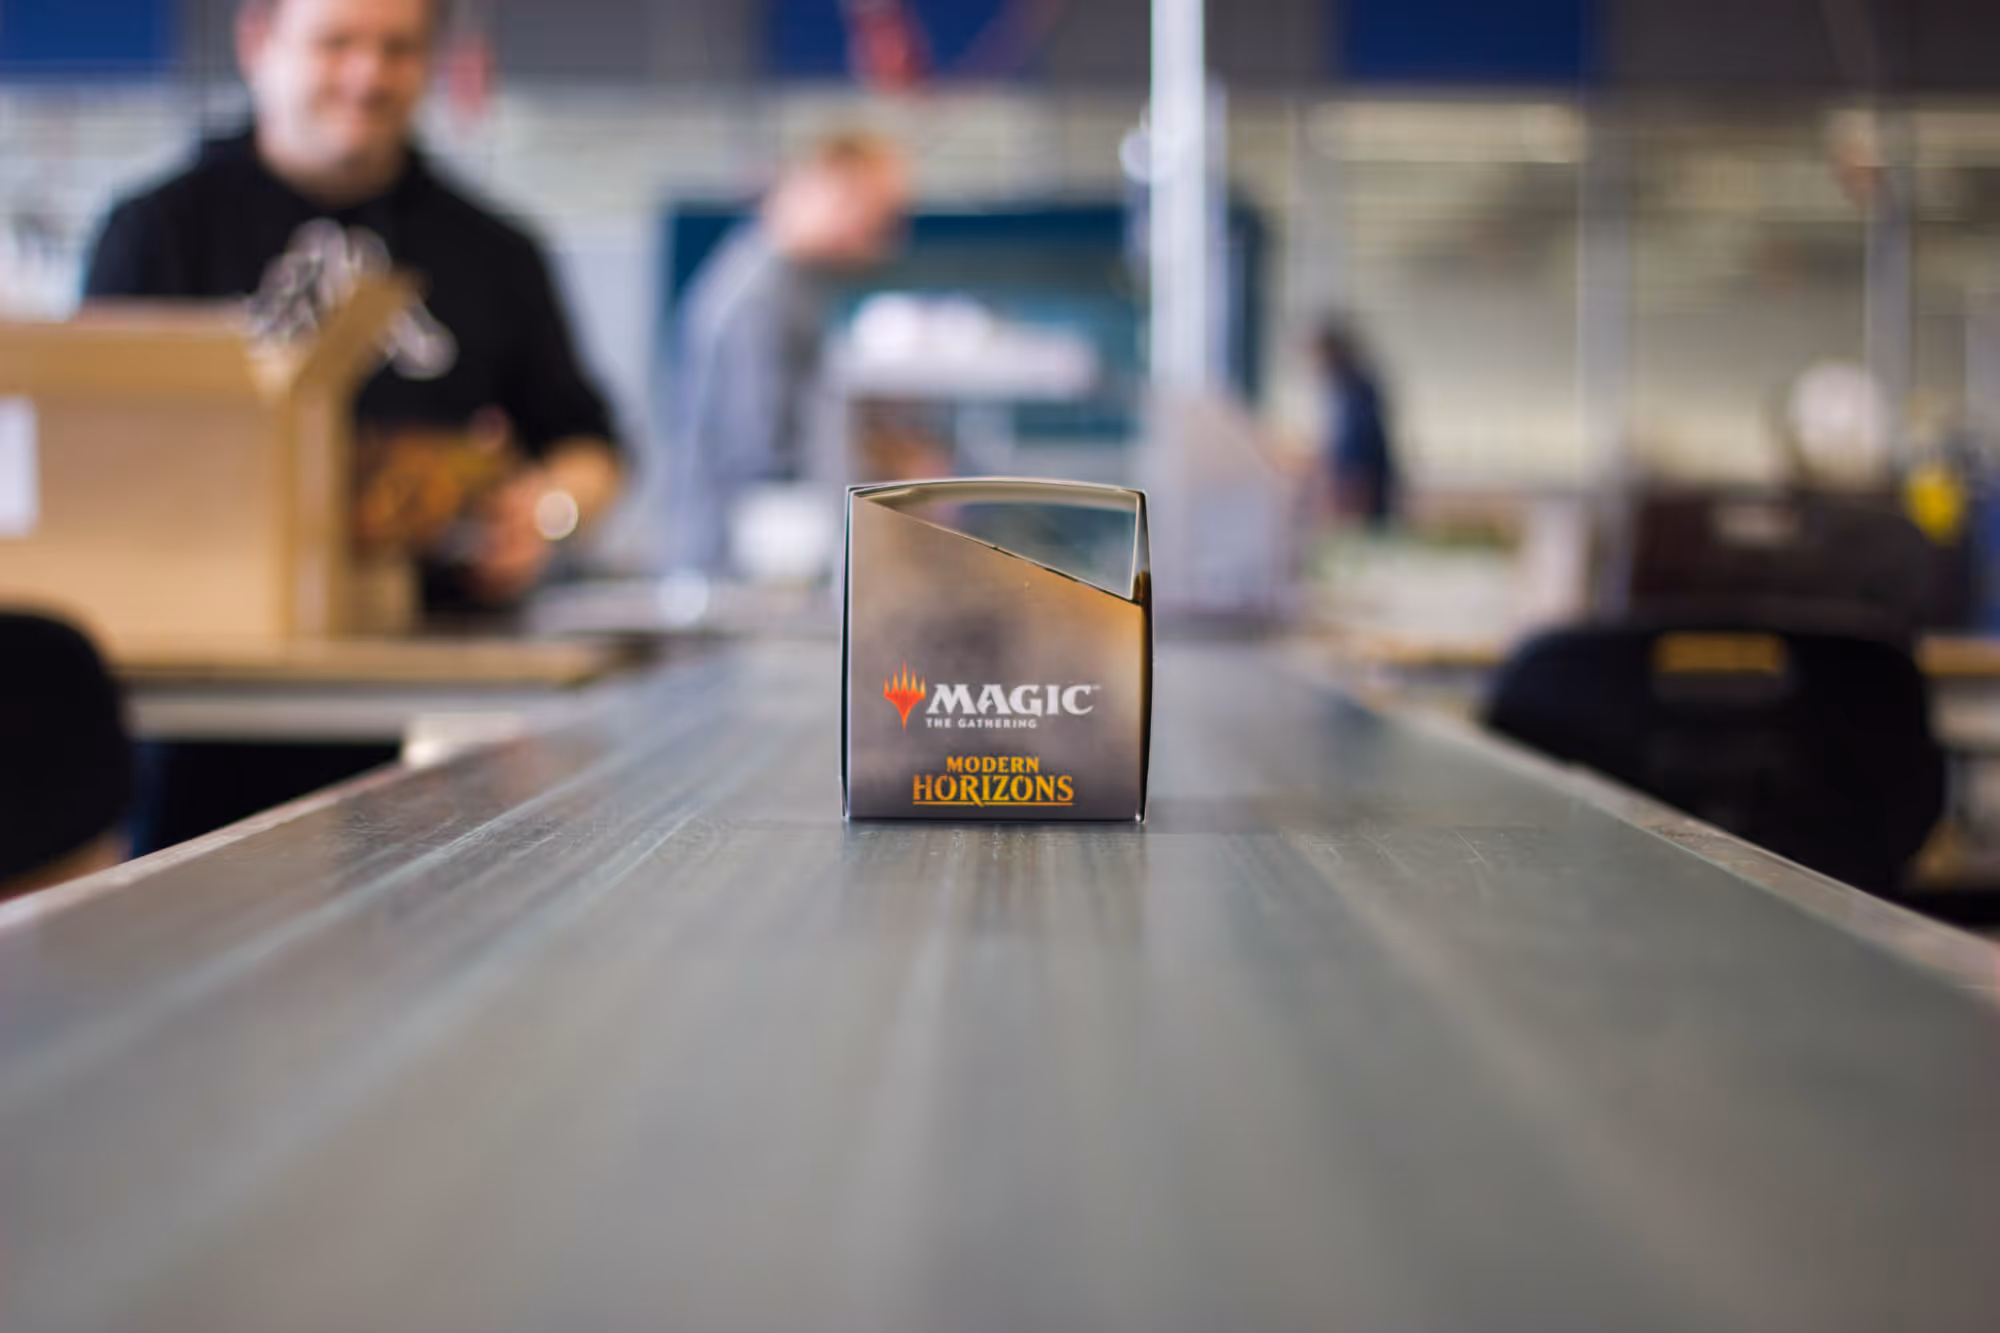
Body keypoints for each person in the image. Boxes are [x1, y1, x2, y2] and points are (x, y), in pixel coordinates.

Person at [79, 0, 623, 851]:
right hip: (211, 707)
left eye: (397, 49)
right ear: (259, 44)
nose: (368, 75)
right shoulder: (158, 231)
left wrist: (549, 514)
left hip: (439, 698)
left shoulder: (493, 249)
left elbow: (588, 441)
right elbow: (87, 455)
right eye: (336, 43)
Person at [666, 131, 910, 576]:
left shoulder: (789, 286)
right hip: (746, 570)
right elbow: (762, 450)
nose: (886, 241)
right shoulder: (759, 298)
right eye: (879, 219)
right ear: (836, 190)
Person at [1315, 319, 1400, 528]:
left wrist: (1350, 504)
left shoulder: (1356, 393)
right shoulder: (1345, 391)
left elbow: (1360, 457)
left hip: (1366, 500)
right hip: (1361, 494)